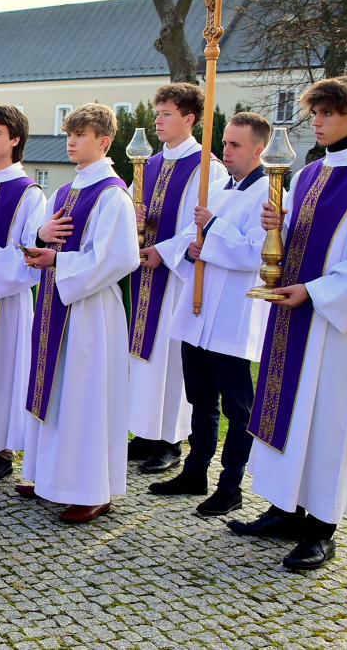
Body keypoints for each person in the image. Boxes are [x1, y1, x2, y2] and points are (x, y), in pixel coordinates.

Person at [228, 76, 347, 571]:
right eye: (316, 113)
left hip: (333, 325)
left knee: (326, 419)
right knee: (284, 410)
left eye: (329, 113)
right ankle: (285, 508)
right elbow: (296, 239)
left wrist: (315, 291)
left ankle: (321, 528)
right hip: (291, 315)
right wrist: (275, 228)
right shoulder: (308, 174)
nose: (319, 122)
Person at [14, 103, 139, 522]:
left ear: (103, 142)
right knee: (54, 390)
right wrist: (36, 243)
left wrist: (59, 264)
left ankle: (91, 488)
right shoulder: (65, 191)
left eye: (81, 135)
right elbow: (41, 237)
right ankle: (47, 474)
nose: (71, 141)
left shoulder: (113, 195)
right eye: (69, 134)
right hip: (55, 305)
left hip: (91, 313)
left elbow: (120, 258)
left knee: (84, 397)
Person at [149, 112, 272, 515]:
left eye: (236, 145)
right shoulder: (216, 186)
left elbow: (258, 253)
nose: (226, 151)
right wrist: (187, 248)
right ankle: (195, 469)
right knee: (200, 397)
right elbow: (190, 235)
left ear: (259, 149)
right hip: (199, 311)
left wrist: (213, 232)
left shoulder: (269, 193)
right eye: (226, 142)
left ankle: (231, 484)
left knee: (238, 407)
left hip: (234, 313)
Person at [128, 82, 227, 473]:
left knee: (171, 360)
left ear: (189, 118)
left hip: (176, 279)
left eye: (166, 113)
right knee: (142, 356)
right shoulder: (148, 163)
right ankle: (145, 432)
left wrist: (163, 251)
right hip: (143, 275)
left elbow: (198, 225)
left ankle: (172, 440)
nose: (157, 120)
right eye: (157, 113)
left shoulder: (207, 168)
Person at [0, 105, 46, 482]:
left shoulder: (30, 193)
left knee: (3, 372)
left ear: (14, 139)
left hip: (6, 302)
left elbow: (29, 255)